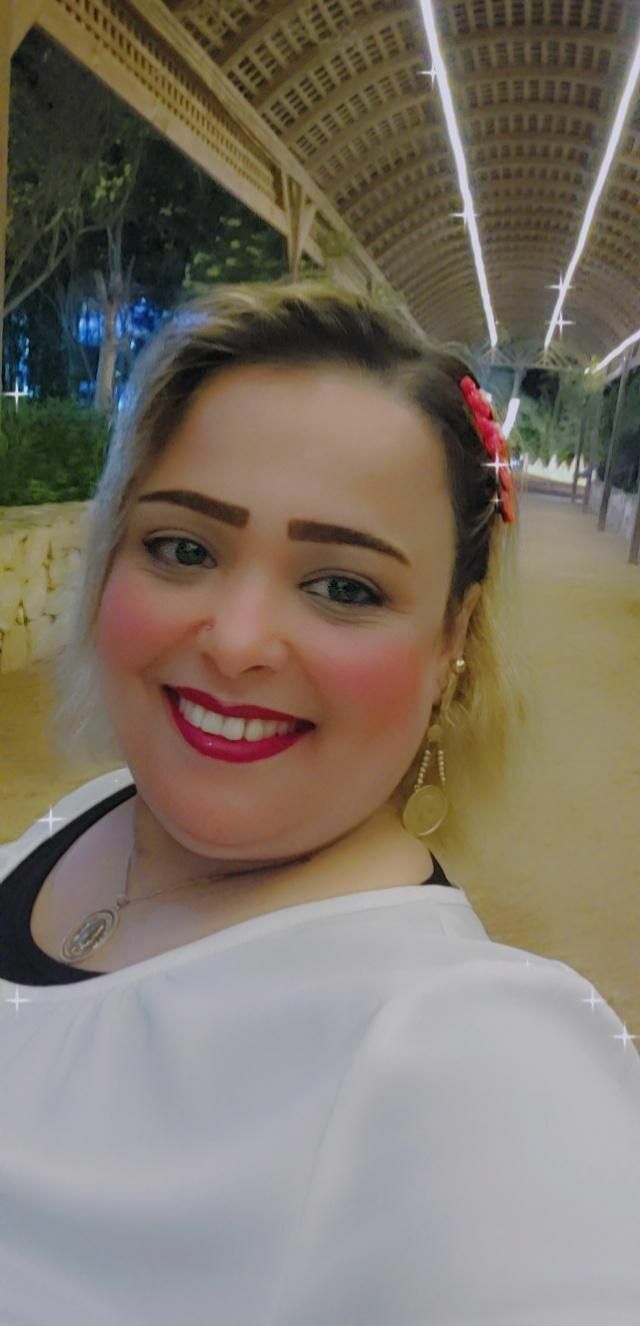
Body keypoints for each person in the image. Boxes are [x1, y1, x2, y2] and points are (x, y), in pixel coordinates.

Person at [0, 280, 638, 1324]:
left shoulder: (465, 1052)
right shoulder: (86, 818)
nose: (237, 640)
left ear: (453, 640)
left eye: (343, 586)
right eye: (184, 548)